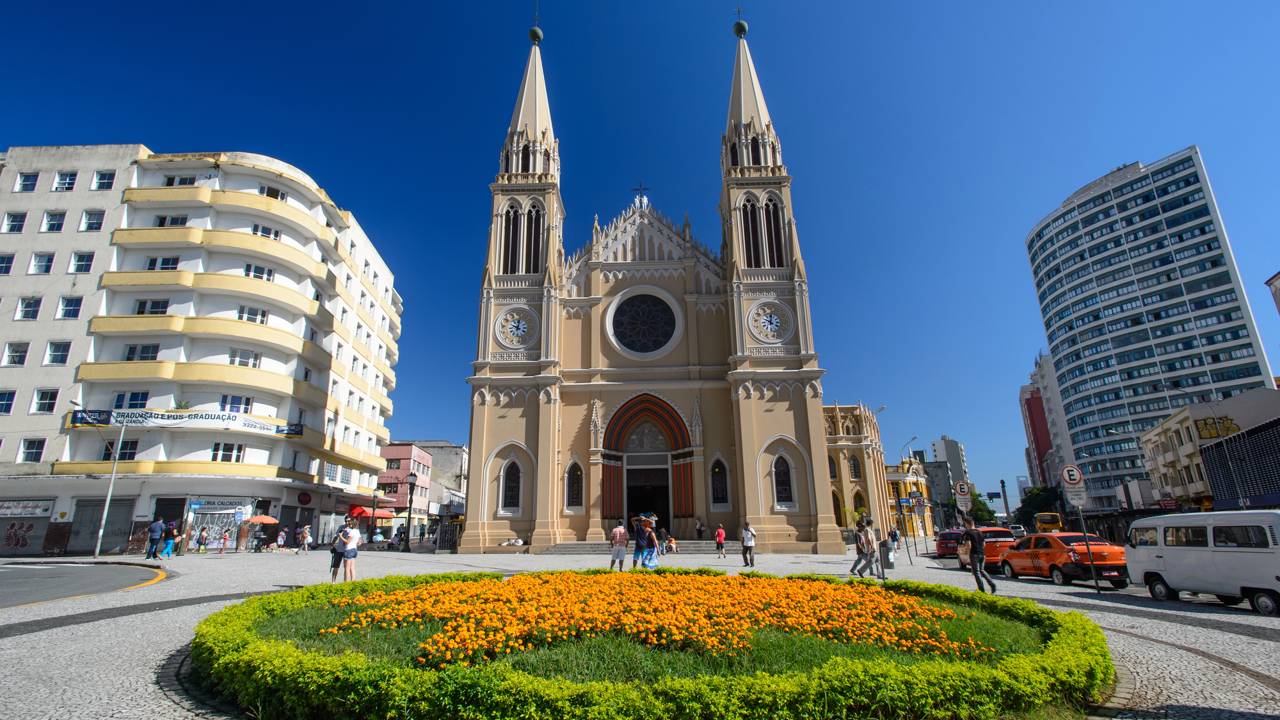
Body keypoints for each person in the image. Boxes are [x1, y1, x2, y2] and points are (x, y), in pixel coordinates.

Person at [961, 517, 997, 593]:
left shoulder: (967, 532)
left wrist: (966, 552)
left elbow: (969, 545)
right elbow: (984, 544)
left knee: (976, 572)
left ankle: (981, 590)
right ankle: (992, 584)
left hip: (974, 554)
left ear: (967, 524)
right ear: (973, 523)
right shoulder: (979, 532)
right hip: (982, 553)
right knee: (982, 570)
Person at [340, 517, 362, 582]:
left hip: (348, 550)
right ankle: (353, 581)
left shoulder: (351, 532)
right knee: (352, 568)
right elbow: (359, 541)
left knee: (347, 568)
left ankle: (346, 583)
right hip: (354, 550)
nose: (348, 524)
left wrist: (340, 536)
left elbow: (347, 542)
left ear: (352, 524)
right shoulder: (357, 531)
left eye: (349, 524)